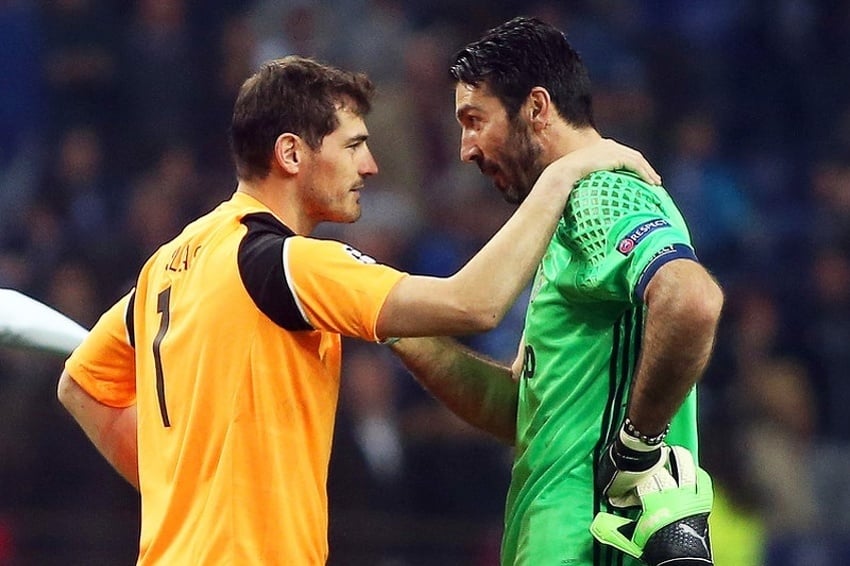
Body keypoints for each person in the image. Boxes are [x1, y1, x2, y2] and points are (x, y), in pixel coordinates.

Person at [55, 55, 660, 565]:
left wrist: (173, 488)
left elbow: (81, 386)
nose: (369, 166)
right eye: (353, 146)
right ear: (291, 154)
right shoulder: (284, 261)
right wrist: (564, 172)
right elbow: (474, 303)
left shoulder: (168, 264)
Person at [387, 17, 724, 566]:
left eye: (475, 121)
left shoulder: (603, 194)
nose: (465, 150)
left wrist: (637, 446)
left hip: (591, 543)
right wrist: (391, 323)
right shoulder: (560, 214)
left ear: (537, 108)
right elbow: (519, 409)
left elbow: (692, 301)